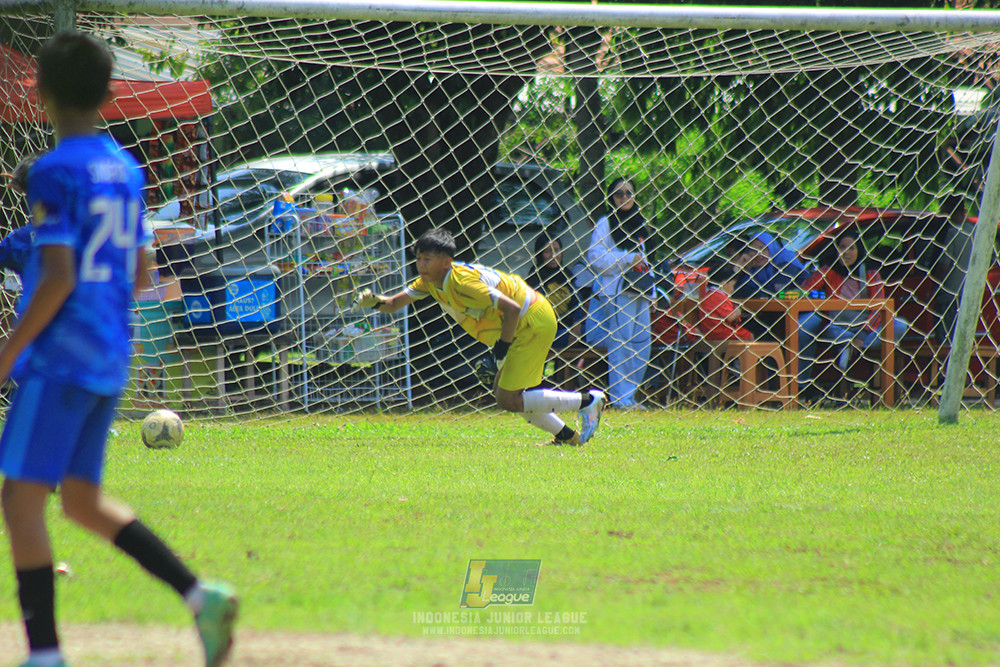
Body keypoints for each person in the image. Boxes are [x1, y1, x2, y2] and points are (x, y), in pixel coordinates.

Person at [0, 32, 237, 667]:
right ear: (109, 93)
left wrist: (9, 352)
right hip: (110, 351)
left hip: (60, 356)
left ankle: (45, 655)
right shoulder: (124, 168)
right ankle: (201, 596)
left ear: (39, 93)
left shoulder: (52, 172)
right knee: (80, 501)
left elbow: (57, 276)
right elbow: (140, 272)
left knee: (20, 499)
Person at [355, 227, 606, 445]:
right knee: (506, 393)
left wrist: (501, 351)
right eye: (419, 258)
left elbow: (512, 308)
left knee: (508, 398)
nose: (421, 265)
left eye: (427, 259)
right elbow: (392, 304)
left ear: (446, 262)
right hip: (522, 324)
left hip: (532, 320)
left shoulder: (464, 283)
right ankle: (567, 437)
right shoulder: (429, 282)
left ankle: (587, 401)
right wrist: (373, 301)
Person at [797, 232, 909, 401]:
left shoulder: (870, 272)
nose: (846, 253)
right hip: (838, 326)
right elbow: (805, 290)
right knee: (831, 331)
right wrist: (825, 268)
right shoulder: (829, 270)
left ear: (859, 250)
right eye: (842, 248)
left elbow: (878, 307)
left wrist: (861, 335)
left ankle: (854, 346)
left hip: (866, 327)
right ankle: (847, 344)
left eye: (851, 248)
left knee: (899, 325)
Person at [587, 177, 655, 410]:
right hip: (617, 293)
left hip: (639, 292)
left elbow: (647, 260)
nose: (624, 197)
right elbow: (595, 257)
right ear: (611, 197)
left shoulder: (640, 224)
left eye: (629, 193)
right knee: (622, 344)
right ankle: (620, 398)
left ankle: (630, 396)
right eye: (619, 193)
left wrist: (652, 293)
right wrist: (625, 258)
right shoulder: (606, 222)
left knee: (641, 344)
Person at [527, 233, 582, 349]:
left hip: (568, 328)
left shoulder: (566, 276)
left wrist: (577, 326)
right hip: (545, 332)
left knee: (590, 331)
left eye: (556, 250)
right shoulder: (534, 279)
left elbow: (577, 305)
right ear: (540, 254)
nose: (553, 255)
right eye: (547, 251)